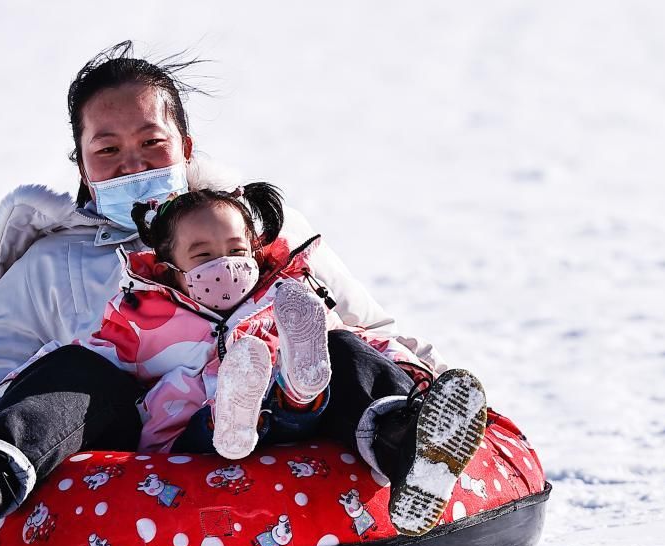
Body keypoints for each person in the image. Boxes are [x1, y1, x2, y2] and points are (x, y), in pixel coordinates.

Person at [0, 42, 486, 546]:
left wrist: (424, 377)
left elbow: (370, 329)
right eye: (107, 150)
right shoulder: (51, 266)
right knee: (80, 369)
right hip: (131, 440)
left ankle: (411, 449)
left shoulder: (258, 233)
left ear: (185, 148)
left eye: (151, 143)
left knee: (339, 346)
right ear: (82, 168)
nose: (133, 166)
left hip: (282, 415)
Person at [85, 182, 434, 462]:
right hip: (187, 440)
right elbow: (89, 364)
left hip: (288, 423)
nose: (225, 265)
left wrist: (415, 370)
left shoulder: (287, 301)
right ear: (168, 270)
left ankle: (306, 393)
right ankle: (231, 415)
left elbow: (360, 343)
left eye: (236, 251)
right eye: (203, 255)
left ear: (254, 252)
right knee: (207, 417)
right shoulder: (142, 317)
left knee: (338, 346)